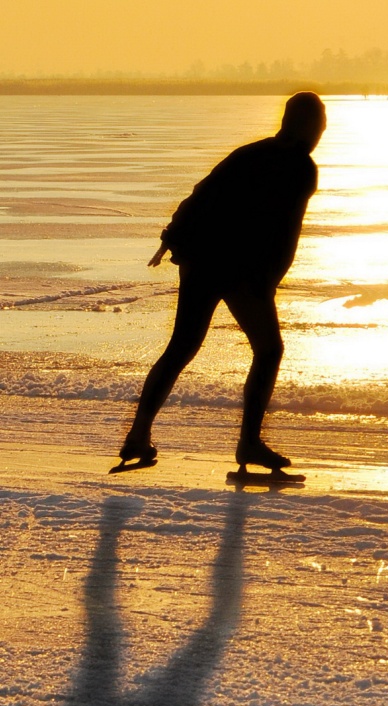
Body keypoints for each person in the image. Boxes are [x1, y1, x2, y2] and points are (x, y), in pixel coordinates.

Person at [116, 92, 326, 472]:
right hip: (239, 269)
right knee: (269, 350)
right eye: (320, 123)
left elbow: (203, 192)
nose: (322, 131)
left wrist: (171, 238)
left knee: (181, 347)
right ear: (308, 126)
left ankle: (138, 435)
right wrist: (266, 281)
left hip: (201, 261)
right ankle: (248, 444)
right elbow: (279, 230)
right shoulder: (300, 167)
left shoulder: (249, 153)